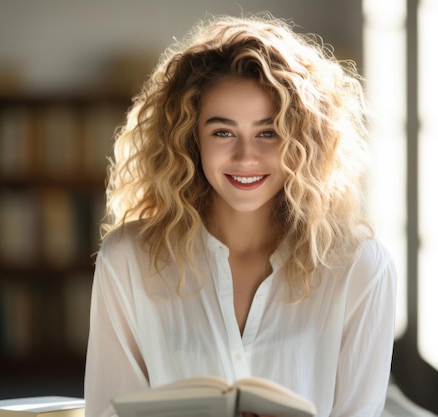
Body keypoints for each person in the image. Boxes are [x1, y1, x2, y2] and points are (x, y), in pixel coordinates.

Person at [84, 13, 397, 417]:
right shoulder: (127, 260)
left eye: (268, 131)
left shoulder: (360, 268)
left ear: (304, 140)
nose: (246, 157)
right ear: (190, 139)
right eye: (223, 132)